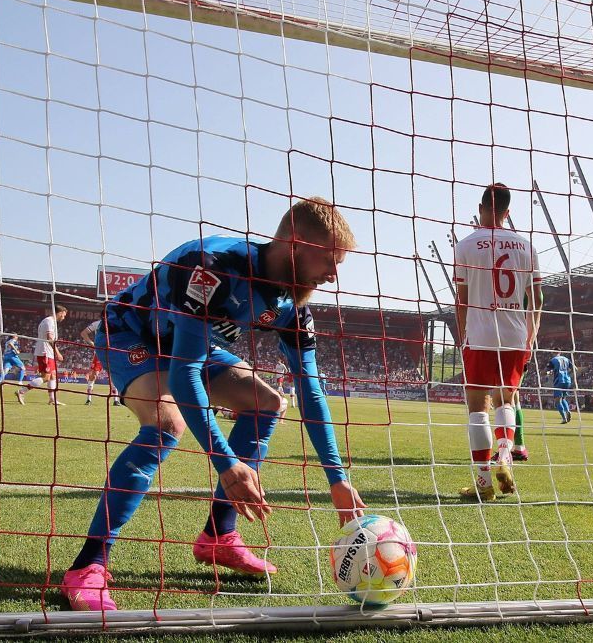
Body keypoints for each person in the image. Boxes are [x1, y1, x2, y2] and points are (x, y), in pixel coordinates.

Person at [61, 196, 366, 611]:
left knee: (268, 402)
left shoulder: (291, 305)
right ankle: (88, 565)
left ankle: (218, 538)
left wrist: (337, 477)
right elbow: (185, 374)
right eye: (329, 261)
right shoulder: (214, 267)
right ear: (294, 243)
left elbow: (310, 390)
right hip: (132, 334)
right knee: (167, 424)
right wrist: (227, 464)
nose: (333, 275)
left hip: (194, 345)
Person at [453, 183, 542, 501]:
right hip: (515, 334)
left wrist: (463, 337)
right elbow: (538, 299)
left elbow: (461, 301)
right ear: (507, 212)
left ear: (480, 208)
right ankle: (505, 457)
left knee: (477, 408)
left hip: (480, 334)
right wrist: (530, 335)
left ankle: (483, 483)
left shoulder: (465, 245)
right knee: (507, 400)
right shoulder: (527, 247)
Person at [16, 304, 67, 406]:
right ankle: (21, 391)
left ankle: (52, 399)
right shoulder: (50, 321)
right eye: (64, 315)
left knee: (53, 376)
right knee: (46, 377)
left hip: (47, 352)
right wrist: (57, 352)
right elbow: (49, 338)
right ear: (60, 313)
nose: (64, 317)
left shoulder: (48, 321)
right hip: (45, 352)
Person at [81, 320, 121, 406]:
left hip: (111, 353)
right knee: (93, 375)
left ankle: (116, 400)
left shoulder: (114, 323)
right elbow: (84, 333)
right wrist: (91, 343)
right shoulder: (97, 323)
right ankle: (89, 399)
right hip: (99, 353)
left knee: (113, 376)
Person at [546, 351, 574, 424]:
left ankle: (564, 418)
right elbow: (575, 369)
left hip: (559, 381)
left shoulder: (553, 360)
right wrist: (567, 374)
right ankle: (568, 411)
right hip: (567, 381)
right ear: (560, 353)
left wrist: (547, 373)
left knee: (557, 400)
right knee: (563, 398)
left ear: (553, 353)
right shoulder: (566, 359)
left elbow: (547, 371)